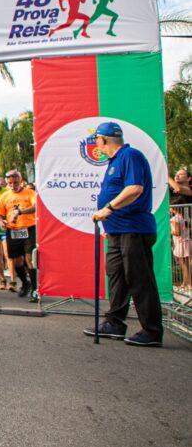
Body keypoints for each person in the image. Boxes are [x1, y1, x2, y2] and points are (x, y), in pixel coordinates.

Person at [87, 122, 163, 346]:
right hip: (116, 230)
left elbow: (134, 188)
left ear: (103, 139)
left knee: (139, 279)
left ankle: (152, 330)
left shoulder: (130, 155)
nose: (96, 144)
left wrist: (108, 208)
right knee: (117, 277)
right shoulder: (114, 161)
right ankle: (115, 322)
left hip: (133, 229)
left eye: (96, 140)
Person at [0, 170, 36, 299]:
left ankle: (35, 289)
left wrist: (21, 212)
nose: (13, 185)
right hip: (12, 230)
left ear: (21, 180)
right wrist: (1, 221)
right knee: (17, 260)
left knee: (29, 259)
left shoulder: (30, 193)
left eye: (15, 182)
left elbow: (36, 207)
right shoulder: (5, 196)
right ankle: (25, 283)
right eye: (10, 183)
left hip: (29, 229)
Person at [170, 207, 191, 291]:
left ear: (173, 208)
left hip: (180, 244)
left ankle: (187, 284)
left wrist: (168, 230)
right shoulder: (185, 218)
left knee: (184, 266)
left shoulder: (174, 219)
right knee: (188, 265)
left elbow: (177, 232)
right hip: (187, 242)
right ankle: (187, 284)